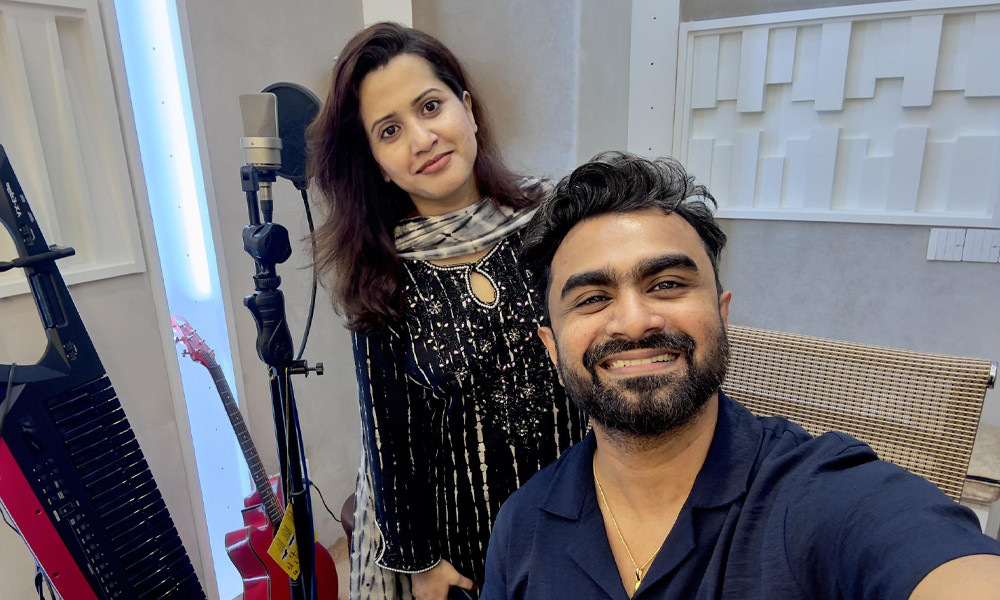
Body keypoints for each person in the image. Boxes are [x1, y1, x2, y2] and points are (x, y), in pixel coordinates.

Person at [481, 151, 1000, 599]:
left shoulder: (819, 496)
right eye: (593, 298)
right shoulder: (523, 524)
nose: (635, 321)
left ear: (721, 314)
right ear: (552, 347)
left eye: (666, 284)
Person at [306, 22, 588, 600]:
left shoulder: (556, 228)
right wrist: (421, 564)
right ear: (378, 162)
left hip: (584, 521)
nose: (422, 138)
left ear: (468, 109)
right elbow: (388, 441)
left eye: (430, 106)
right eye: (390, 130)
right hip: (468, 558)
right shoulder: (382, 279)